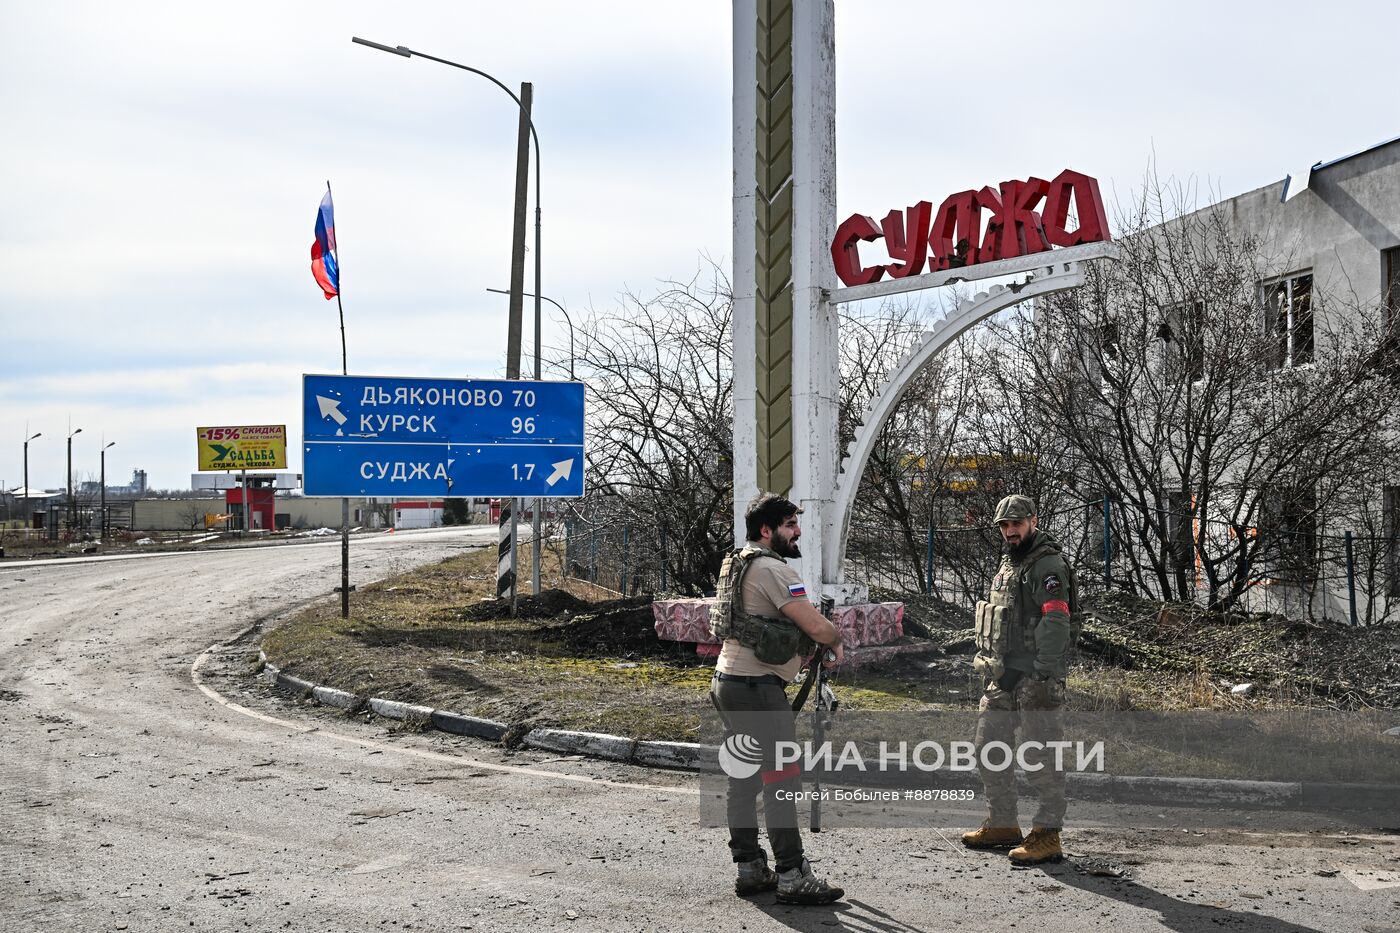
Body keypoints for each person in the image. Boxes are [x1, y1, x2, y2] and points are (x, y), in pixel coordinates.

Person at [709, 492, 846, 905]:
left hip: (729, 683)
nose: (797, 531)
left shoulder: (737, 562)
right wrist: (836, 638)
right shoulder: (773, 569)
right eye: (789, 524)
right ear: (766, 530)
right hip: (757, 691)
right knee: (781, 782)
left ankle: (750, 867)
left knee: (743, 779)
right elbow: (814, 625)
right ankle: (791, 874)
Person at [961, 494, 1078, 865]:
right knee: (988, 745)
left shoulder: (1047, 565)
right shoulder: (1012, 562)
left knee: (1041, 755)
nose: (1011, 531)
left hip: (1035, 677)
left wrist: (1042, 671)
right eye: (1005, 525)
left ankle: (1047, 834)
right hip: (1004, 674)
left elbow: (1057, 619)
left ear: (1033, 520)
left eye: (1017, 523)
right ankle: (1003, 822)